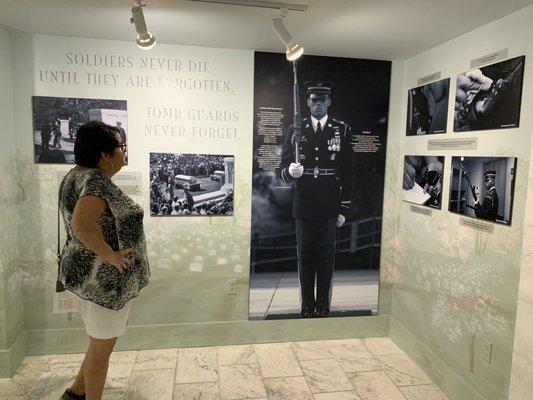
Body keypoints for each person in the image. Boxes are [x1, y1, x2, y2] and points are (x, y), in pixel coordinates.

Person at [58, 121, 150, 400]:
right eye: (121, 146)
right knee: (102, 349)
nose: (125, 151)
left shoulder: (76, 175)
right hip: (104, 285)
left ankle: (75, 392)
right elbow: (82, 225)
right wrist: (111, 255)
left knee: (98, 343)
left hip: (85, 277)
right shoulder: (95, 181)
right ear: (105, 156)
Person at [280, 81, 355, 318]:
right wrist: (289, 173)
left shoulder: (341, 130)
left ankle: (323, 304)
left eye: (322, 100)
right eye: (314, 100)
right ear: (308, 102)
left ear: (329, 101)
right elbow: (283, 165)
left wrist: (344, 208)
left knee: (326, 258)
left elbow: (349, 171)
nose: (318, 104)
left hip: (329, 203)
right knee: (305, 258)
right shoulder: (295, 129)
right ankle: (307, 305)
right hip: (303, 203)